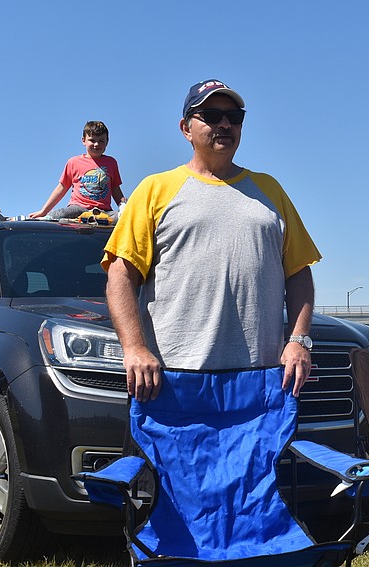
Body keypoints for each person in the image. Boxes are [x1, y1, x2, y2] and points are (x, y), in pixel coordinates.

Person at [102, 79, 321, 402]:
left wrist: (299, 340)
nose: (225, 124)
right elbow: (120, 275)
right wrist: (134, 348)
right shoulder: (154, 190)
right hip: (172, 381)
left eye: (235, 117)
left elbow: (299, 271)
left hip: (260, 383)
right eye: (211, 115)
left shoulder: (270, 191)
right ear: (185, 128)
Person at [30, 121, 127, 220]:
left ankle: (97, 220)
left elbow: (115, 189)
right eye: (92, 140)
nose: (96, 144)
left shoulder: (111, 163)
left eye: (101, 141)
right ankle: (44, 219)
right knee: (60, 214)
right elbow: (62, 187)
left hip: (103, 211)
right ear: (84, 141)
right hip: (78, 208)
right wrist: (43, 211)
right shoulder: (73, 162)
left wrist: (123, 206)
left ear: (107, 142)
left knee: (123, 218)